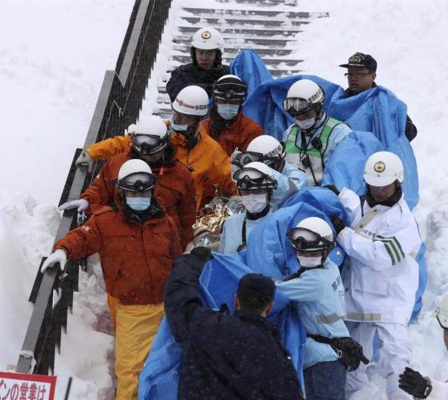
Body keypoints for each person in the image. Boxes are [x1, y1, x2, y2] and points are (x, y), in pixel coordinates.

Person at [41, 159, 182, 400]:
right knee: (130, 371)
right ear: (122, 192)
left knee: (167, 367)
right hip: (132, 310)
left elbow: (177, 259)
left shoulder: (164, 222)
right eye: (133, 191)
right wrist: (62, 250)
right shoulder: (106, 222)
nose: (139, 195)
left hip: (166, 307)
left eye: (144, 190)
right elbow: (83, 237)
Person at [334, 151, 422, 399]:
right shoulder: (360, 205)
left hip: (390, 299)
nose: (380, 190)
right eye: (374, 184)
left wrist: (345, 236)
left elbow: (380, 256)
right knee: (351, 355)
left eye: (385, 185)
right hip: (357, 296)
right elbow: (346, 201)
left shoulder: (404, 222)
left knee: (396, 359)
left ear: (397, 181)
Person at [164, 247, 304, 400]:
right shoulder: (275, 354)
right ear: (269, 308)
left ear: (236, 299)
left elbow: (179, 298)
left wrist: (191, 262)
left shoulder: (204, 325)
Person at [76, 85, 236, 208]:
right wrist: (91, 153)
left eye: (184, 117)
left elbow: (229, 178)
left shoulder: (210, 150)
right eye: (176, 114)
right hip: (146, 207)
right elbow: (122, 143)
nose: (177, 120)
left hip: (182, 217)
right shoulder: (159, 131)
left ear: (197, 120)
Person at [59, 116, 196, 249]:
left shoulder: (181, 175)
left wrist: (187, 245)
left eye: (152, 153)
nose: (146, 156)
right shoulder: (117, 164)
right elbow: (101, 188)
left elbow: (187, 217)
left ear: (164, 145)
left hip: (163, 243)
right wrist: (88, 200)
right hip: (123, 239)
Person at [276, 217, 364, 400]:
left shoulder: (315, 282)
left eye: (311, 253)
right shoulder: (330, 267)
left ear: (326, 250)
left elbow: (271, 292)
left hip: (322, 364)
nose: (304, 257)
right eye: (300, 252)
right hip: (332, 357)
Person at [282, 79, 352, 187]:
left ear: (319, 107)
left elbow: (343, 176)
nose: (301, 119)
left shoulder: (340, 133)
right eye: (296, 115)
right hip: (293, 198)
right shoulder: (290, 132)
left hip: (322, 197)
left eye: (306, 115)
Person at [339, 52, 418, 142]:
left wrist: (388, 120)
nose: (353, 78)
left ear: (373, 76)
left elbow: (411, 132)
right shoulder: (341, 101)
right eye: (350, 74)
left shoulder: (384, 101)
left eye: (359, 74)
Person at [219, 162, 278, 254]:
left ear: (269, 193)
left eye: (257, 191)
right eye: (246, 192)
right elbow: (223, 261)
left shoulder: (279, 225)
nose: (251, 197)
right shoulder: (231, 224)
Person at [233, 134, 306, 207]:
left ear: (277, 163)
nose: (255, 175)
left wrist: (259, 169)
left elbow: (287, 193)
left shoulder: (298, 177)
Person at [200, 74, 263, 156]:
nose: (228, 105)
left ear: (241, 103)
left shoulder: (252, 131)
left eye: (233, 102)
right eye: (223, 101)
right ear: (215, 101)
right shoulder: (203, 129)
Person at [166, 27, 230, 102]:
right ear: (194, 53)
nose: (204, 57)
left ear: (217, 55)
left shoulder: (228, 74)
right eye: (200, 52)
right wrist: (212, 89)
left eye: (210, 53)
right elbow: (174, 90)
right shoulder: (182, 73)